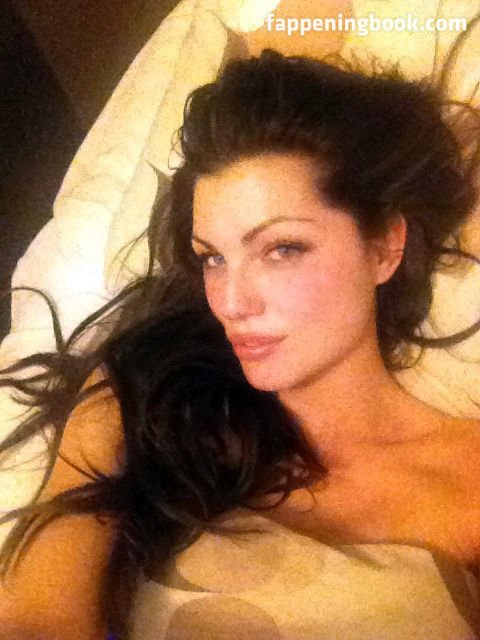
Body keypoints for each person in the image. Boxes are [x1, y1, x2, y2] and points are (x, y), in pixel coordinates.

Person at [2, 23, 480, 639]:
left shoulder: (467, 475)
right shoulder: (148, 393)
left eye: (282, 249)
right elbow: (37, 620)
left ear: (385, 246)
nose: (231, 302)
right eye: (212, 258)